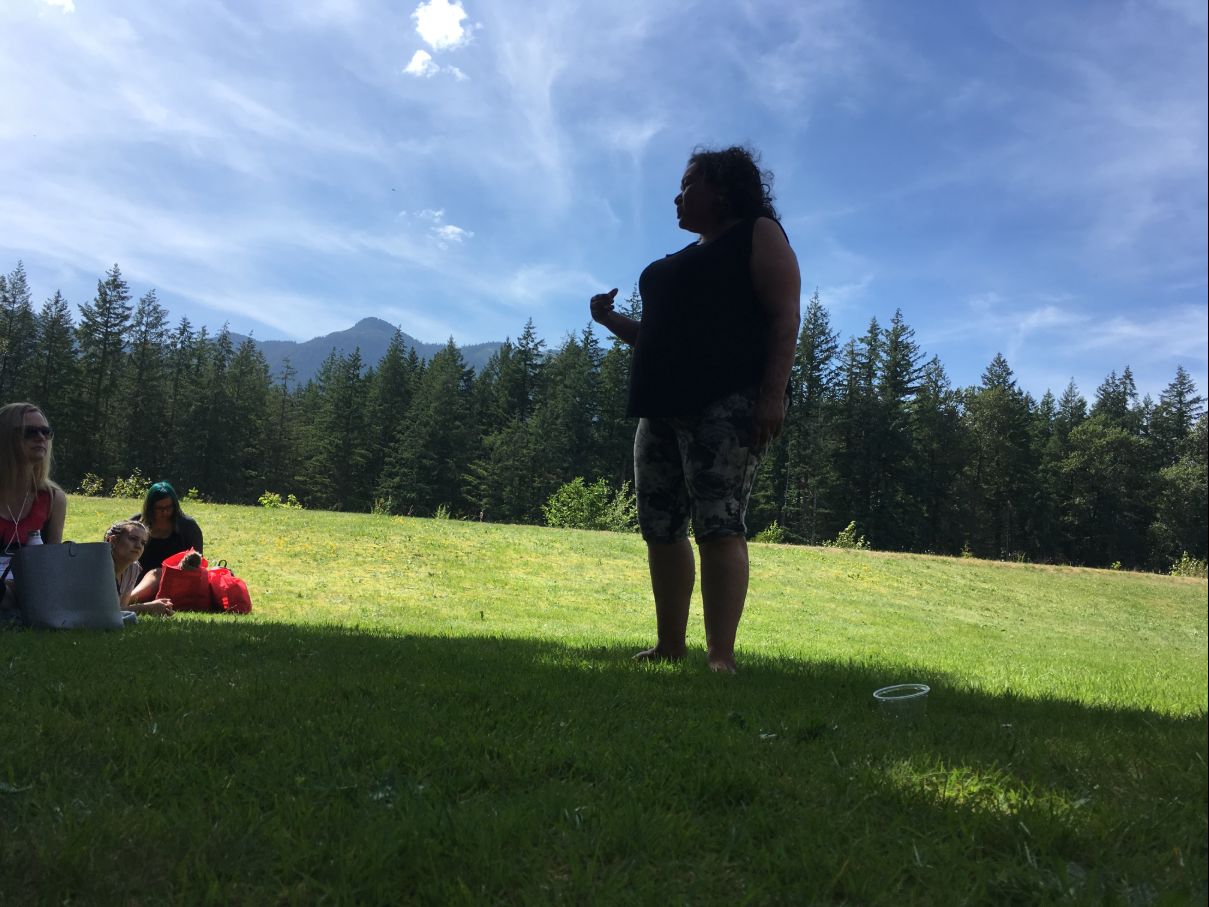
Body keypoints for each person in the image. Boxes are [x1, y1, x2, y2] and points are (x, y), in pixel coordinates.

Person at [589, 146, 801, 673]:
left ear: (722, 188)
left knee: (718, 521)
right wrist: (610, 320)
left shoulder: (758, 232)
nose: (677, 196)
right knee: (659, 526)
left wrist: (772, 396)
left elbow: (784, 316)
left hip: (727, 403)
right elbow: (658, 340)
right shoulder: (685, 258)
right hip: (660, 407)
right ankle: (669, 645)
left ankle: (720, 656)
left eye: (688, 184)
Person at [1, 403, 67, 618]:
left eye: (46, 432)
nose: (41, 438)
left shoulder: (53, 498)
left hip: (27, 590)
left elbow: (51, 566)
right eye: (30, 432)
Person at [105, 519, 175, 616]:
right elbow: (103, 613)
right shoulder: (99, 566)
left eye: (143, 543)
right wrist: (148, 608)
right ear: (112, 540)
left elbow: (121, 610)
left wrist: (152, 606)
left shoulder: (133, 568)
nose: (138, 546)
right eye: (133, 539)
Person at [133, 481, 203, 577]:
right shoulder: (136, 524)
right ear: (150, 507)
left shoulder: (188, 527)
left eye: (169, 507)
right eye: (159, 508)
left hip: (177, 580)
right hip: (137, 579)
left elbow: (197, 562)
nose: (164, 512)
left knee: (157, 574)